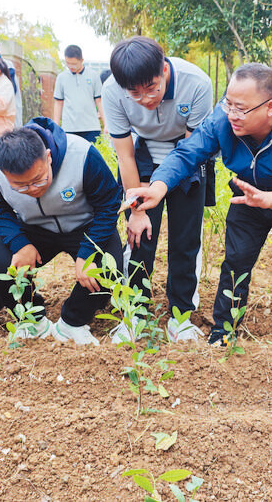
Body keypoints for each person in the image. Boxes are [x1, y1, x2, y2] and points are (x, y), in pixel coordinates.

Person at [127, 63, 272, 351]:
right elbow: (188, 152)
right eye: (228, 104)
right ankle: (223, 331)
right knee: (236, 263)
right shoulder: (224, 121)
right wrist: (158, 187)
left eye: (240, 108)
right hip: (247, 199)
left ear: (270, 107)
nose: (231, 114)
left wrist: (269, 199)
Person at [102, 36, 213, 343]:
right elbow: (124, 154)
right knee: (139, 239)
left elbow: (192, 151)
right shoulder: (112, 91)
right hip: (142, 155)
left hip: (187, 153)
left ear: (165, 70)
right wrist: (136, 209)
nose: (146, 99)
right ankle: (135, 314)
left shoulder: (197, 83)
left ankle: (180, 317)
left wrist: (165, 184)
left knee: (186, 239)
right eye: (134, 93)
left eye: (152, 88)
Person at [0, 117, 123, 345]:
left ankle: (73, 322)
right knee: (0, 267)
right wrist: (19, 243)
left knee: (108, 268)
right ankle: (33, 320)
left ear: (48, 157)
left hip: (84, 226)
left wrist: (87, 253)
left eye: (38, 180)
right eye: (20, 186)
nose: (32, 190)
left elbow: (109, 204)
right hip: (32, 228)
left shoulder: (82, 154)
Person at [53, 45, 105, 145]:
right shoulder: (61, 78)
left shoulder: (93, 75)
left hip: (91, 127)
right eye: (68, 63)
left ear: (81, 60)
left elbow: (99, 101)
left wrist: (107, 124)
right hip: (69, 128)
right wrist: (55, 126)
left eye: (74, 64)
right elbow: (58, 103)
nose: (71, 67)